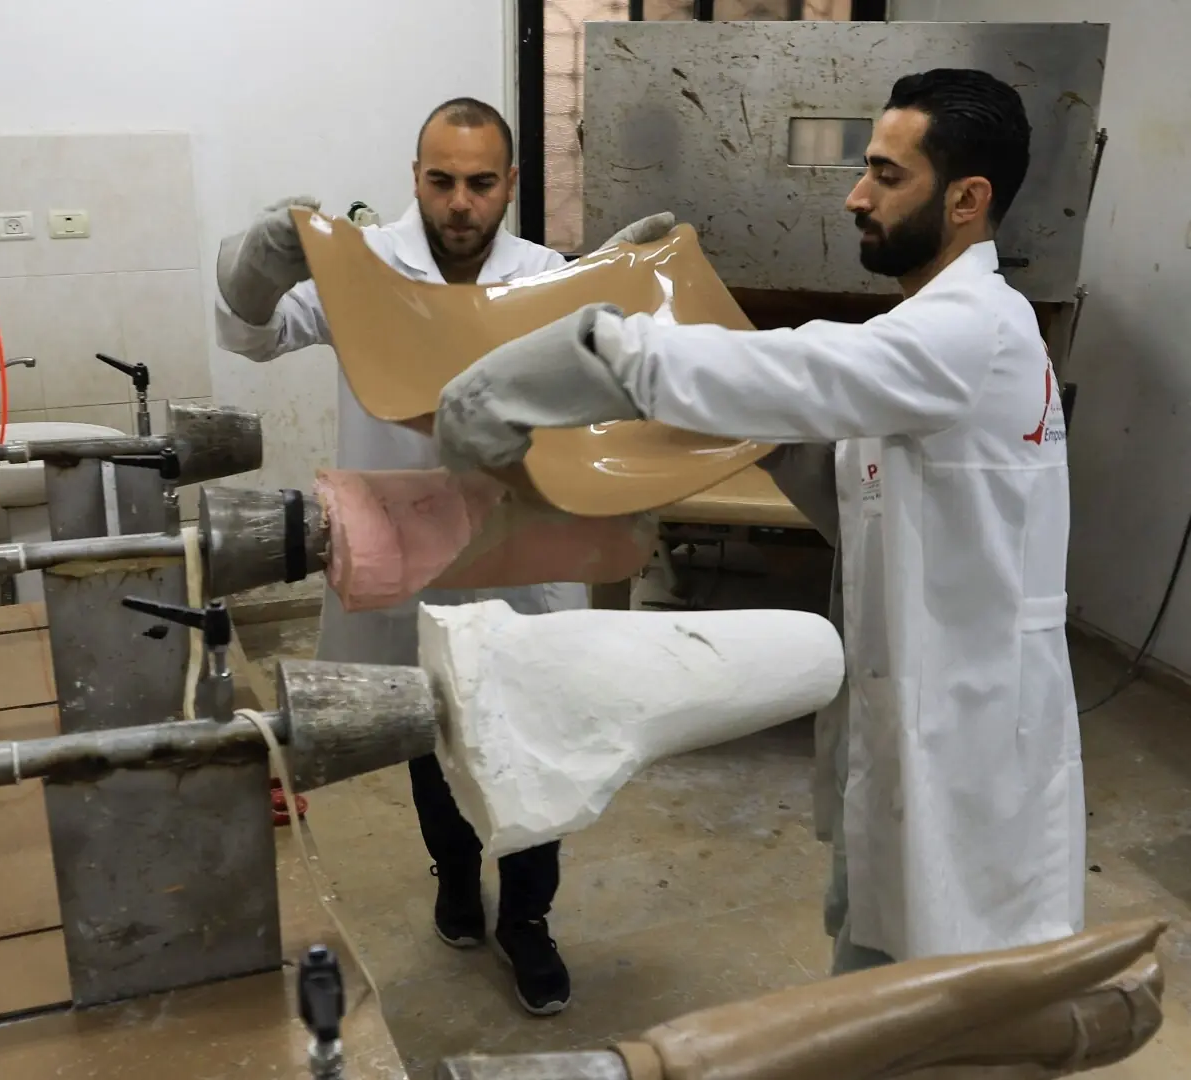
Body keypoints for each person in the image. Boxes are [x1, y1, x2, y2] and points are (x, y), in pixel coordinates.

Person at [432, 68, 1084, 974]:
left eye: (888, 177)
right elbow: (858, 496)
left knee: (964, 1001)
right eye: (866, 168)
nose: (857, 196)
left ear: (968, 199)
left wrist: (594, 348)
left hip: (972, 739)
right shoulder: (940, 334)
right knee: (888, 976)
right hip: (921, 722)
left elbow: (807, 369)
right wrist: (767, 438)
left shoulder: (971, 331)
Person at [212, 96, 671, 1015]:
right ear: (414, 179)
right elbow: (253, 336)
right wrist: (258, 266)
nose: (460, 202)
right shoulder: (365, 266)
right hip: (406, 559)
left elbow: (620, 390)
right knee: (426, 730)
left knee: (535, 736)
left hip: (526, 553)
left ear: (510, 184)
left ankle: (529, 919)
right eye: (440, 181)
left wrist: (615, 293)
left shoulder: (543, 275)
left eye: (479, 182)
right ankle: (456, 874)